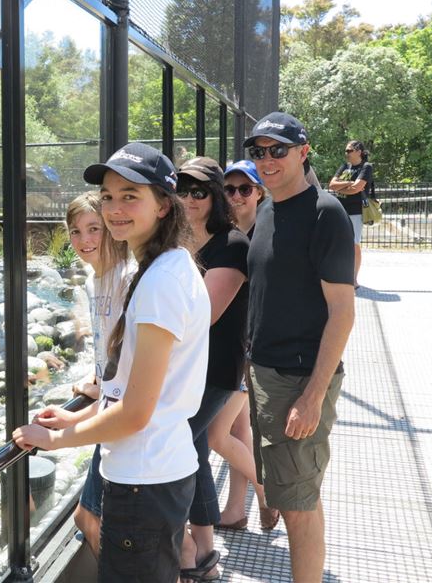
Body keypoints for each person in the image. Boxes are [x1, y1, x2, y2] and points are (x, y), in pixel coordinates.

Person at [12, 142, 210, 582]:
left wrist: (53, 440)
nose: (114, 208)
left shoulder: (159, 282)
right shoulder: (170, 266)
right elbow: (134, 389)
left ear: (163, 205)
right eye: (107, 196)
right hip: (158, 470)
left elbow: (137, 413)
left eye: (130, 196)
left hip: (144, 478)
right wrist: (72, 420)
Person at [245, 112, 355, 582]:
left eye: (278, 150)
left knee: (301, 509)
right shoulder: (267, 208)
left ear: (303, 152)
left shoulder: (325, 213)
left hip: (298, 379)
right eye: (259, 151)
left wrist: (312, 396)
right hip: (263, 372)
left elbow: (342, 312)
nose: (267, 160)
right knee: (287, 497)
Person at [173, 157, 248, 582]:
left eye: (198, 191)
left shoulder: (232, 245)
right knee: (195, 450)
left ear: (216, 197)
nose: (188, 199)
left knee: (177, 442)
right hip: (184, 369)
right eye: (180, 190)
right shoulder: (177, 241)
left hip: (215, 371)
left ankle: (186, 545)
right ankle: (204, 552)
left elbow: (202, 316)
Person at [64, 191, 133, 559]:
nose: (84, 240)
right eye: (75, 231)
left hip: (124, 418)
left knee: (89, 518)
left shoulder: (129, 278)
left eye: (94, 229)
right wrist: (98, 382)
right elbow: (111, 346)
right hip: (109, 405)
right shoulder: (95, 282)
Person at [211, 160, 278, 532]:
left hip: (248, 351)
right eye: (229, 189)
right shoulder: (224, 234)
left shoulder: (267, 236)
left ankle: (266, 491)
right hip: (233, 347)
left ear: (259, 193)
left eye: (244, 189)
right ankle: (236, 510)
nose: (236, 196)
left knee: (214, 435)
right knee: (238, 432)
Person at [328, 140, 374, 286]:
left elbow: (357, 188)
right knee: (339, 244)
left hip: (356, 211)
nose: (346, 153)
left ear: (358, 151)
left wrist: (343, 187)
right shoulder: (344, 166)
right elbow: (332, 185)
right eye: (346, 151)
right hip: (340, 210)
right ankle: (340, 275)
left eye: (349, 151)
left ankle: (353, 279)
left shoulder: (366, 167)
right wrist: (349, 184)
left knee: (354, 244)